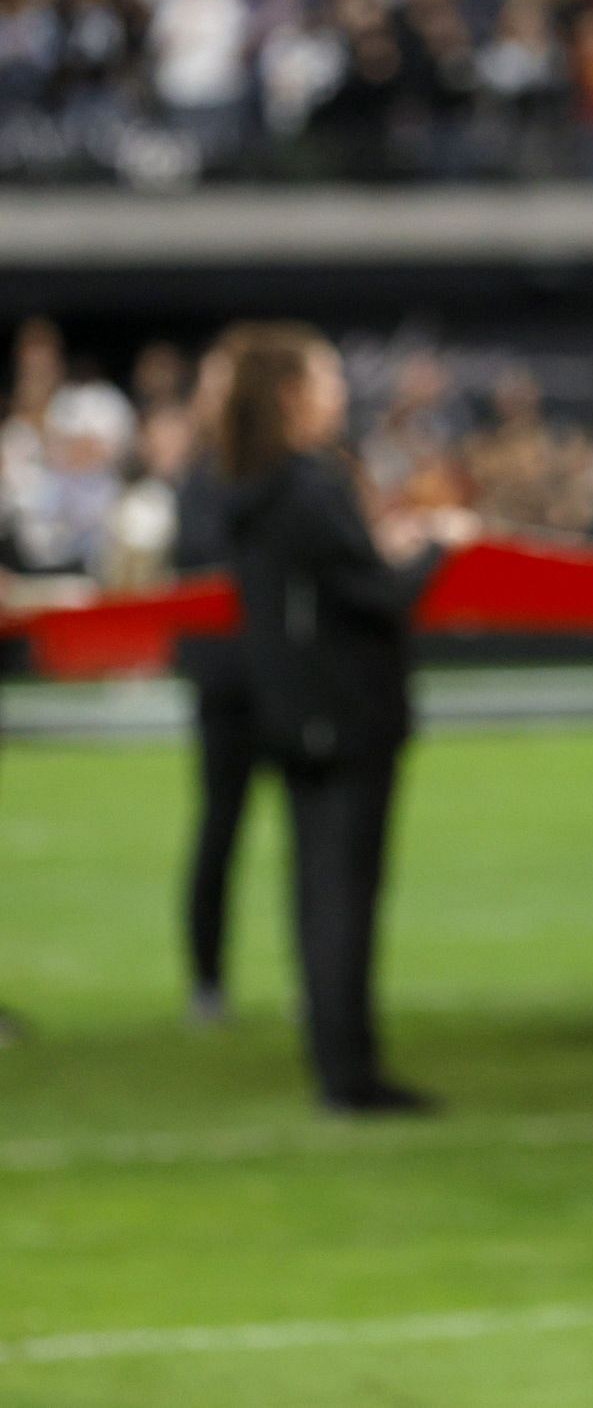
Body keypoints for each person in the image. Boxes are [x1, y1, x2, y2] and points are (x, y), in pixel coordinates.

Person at [220, 323, 476, 1114]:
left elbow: (333, 580)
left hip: (296, 711)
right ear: (293, 394)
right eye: (327, 379)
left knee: (318, 894)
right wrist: (438, 544)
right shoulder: (308, 482)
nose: (339, 393)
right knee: (344, 899)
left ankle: (341, 1063)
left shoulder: (259, 481)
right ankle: (351, 1075)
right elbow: (378, 596)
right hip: (346, 713)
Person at [172, 327, 254, 1024]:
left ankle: (317, 980)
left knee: (306, 838)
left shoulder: (274, 473)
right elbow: (202, 563)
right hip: (227, 685)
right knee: (220, 830)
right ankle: (207, 979)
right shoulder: (202, 477)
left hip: (280, 681)